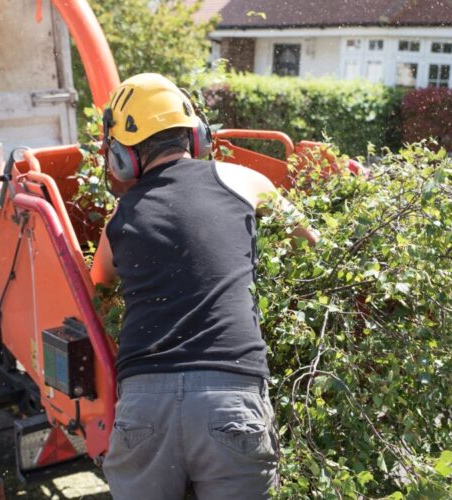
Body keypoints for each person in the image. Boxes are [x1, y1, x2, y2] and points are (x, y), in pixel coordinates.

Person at [90, 73, 317, 500]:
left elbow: (99, 287)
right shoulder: (243, 181)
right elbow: (310, 240)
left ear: (122, 156)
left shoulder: (118, 221)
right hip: (231, 401)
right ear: (197, 137)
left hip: (145, 407)